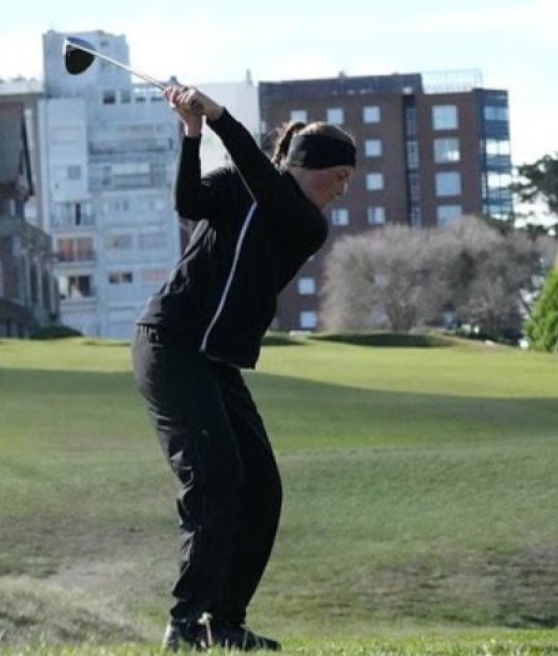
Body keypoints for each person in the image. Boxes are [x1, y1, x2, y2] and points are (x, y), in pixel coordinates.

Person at [132, 85, 356, 651]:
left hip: (216, 362)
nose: (343, 187)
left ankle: (223, 624)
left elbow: (269, 190)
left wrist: (220, 118)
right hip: (170, 344)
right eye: (339, 174)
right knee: (216, 477)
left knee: (262, 489)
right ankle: (186, 624)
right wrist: (192, 135)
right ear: (305, 167)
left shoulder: (306, 224)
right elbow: (187, 202)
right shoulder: (234, 184)